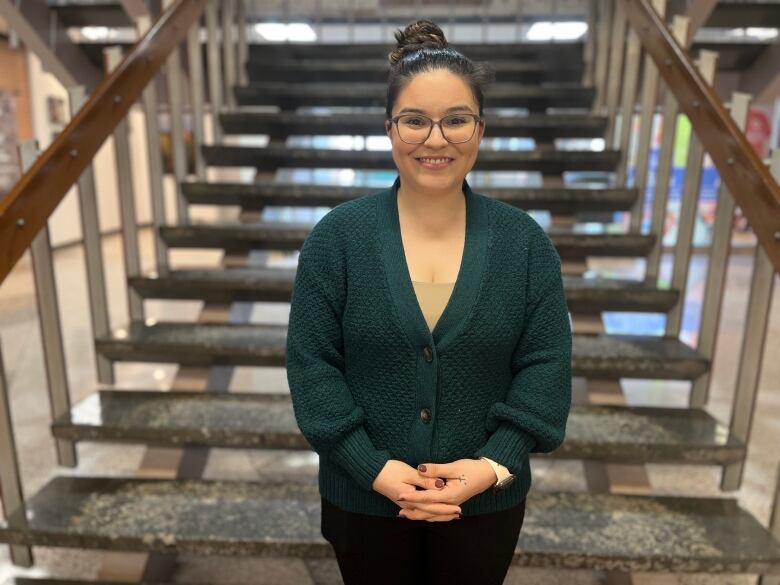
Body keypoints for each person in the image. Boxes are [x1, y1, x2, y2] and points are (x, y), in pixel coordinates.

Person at [285, 19, 572, 585]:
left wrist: (492, 465)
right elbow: (312, 364)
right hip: (363, 500)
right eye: (414, 120)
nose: (435, 140)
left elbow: (546, 364)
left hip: (482, 504)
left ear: (480, 129)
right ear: (389, 127)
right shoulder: (337, 238)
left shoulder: (524, 243)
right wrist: (374, 469)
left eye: (456, 121)